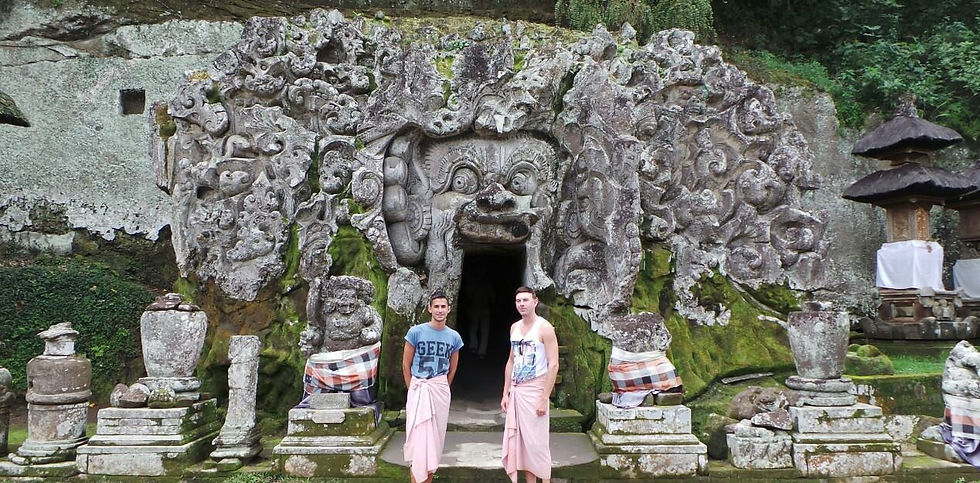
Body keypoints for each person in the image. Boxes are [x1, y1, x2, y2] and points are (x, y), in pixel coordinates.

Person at [403, 290, 464, 483]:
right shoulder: (416, 332)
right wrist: (412, 387)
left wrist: (442, 387)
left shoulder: (454, 337)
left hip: (439, 390)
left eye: (443, 307)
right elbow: (406, 364)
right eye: (436, 306)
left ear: (448, 309)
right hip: (419, 387)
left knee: (435, 442)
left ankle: (429, 479)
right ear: (430, 308)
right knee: (417, 442)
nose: (439, 310)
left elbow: (453, 368)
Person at [501, 287, 559, 483]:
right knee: (521, 446)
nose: (521, 304)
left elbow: (553, 364)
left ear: (535, 301)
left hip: (536, 389)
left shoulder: (545, 328)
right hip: (517, 389)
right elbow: (511, 360)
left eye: (525, 300)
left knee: (537, 444)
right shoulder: (514, 328)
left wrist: (544, 398)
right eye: (518, 301)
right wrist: (505, 393)